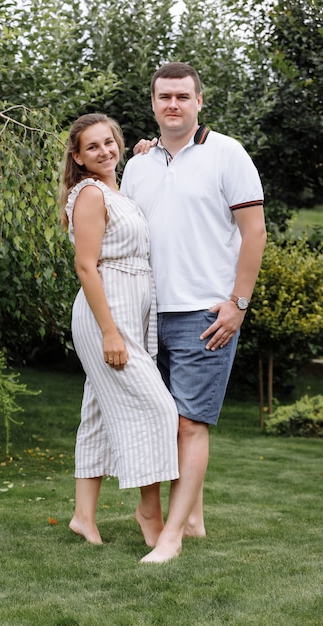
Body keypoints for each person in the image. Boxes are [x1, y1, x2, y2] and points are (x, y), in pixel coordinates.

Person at [121, 62, 267, 563]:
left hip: (205, 313)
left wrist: (238, 305)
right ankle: (195, 519)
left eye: (183, 97)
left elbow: (255, 233)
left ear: (199, 101)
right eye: (164, 97)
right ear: (153, 103)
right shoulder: (138, 164)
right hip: (146, 312)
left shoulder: (228, 154)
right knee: (161, 422)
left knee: (189, 424)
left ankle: (172, 536)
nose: (173, 105)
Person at [59, 112, 179, 551]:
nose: (104, 151)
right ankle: (149, 511)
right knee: (159, 409)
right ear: (78, 156)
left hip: (130, 310)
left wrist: (146, 152)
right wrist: (110, 332)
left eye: (110, 142)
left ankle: (83, 517)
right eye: (93, 147)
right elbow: (85, 266)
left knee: (96, 413)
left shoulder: (117, 188)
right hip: (106, 313)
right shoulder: (90, 194)